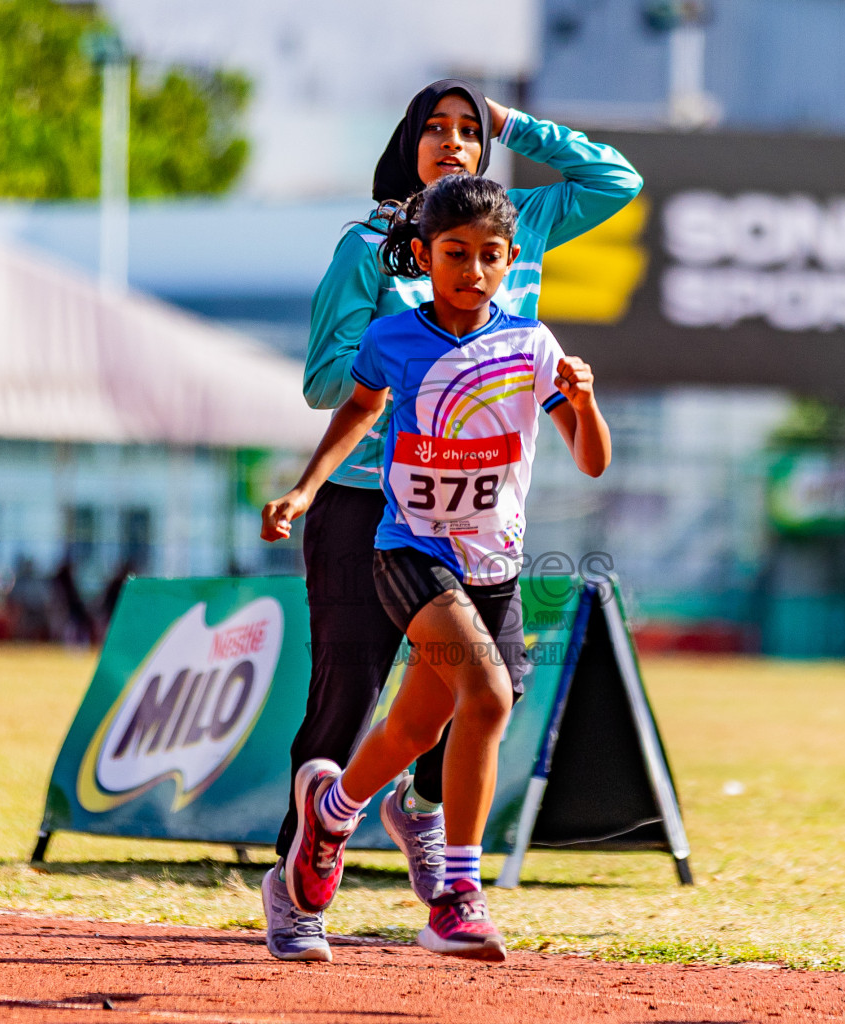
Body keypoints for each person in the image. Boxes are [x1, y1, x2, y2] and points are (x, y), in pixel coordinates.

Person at [264, 76, 641, 963]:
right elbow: (333, 389)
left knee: (459, 704)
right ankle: (308, 884)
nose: (452, 141)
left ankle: (422, 819)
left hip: (481, 510)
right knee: (357, 693)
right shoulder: (372, 249)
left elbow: (617, 180)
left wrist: (517, 119)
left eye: (471, 129)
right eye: (433, 127)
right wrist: (418, 360)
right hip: (373, 499)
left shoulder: (525, 228)